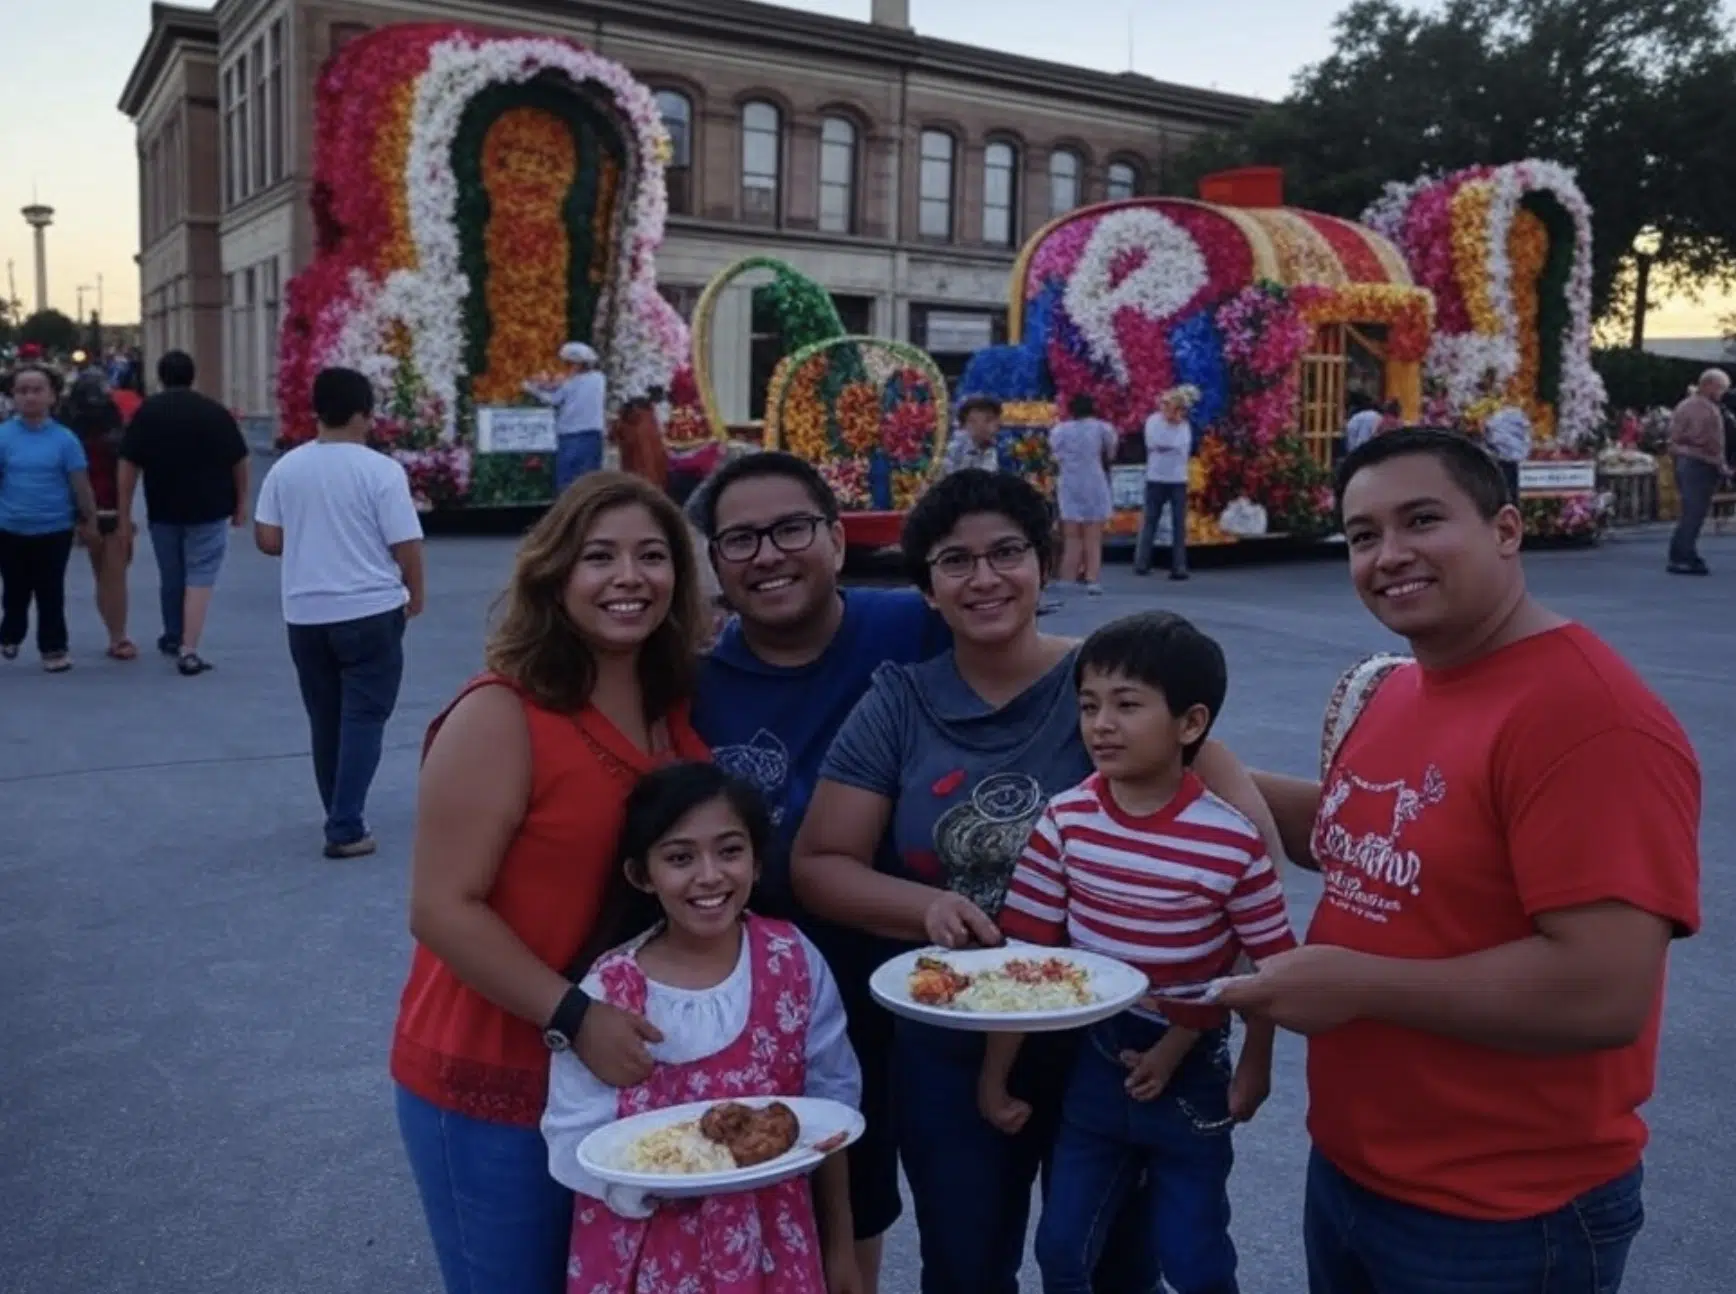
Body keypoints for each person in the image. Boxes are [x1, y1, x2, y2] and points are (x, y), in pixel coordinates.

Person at [1228, 428, 1700, 1294]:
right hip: (1352, 1176)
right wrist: (1196, 773)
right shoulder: (1400, 683)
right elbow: (1362, 841)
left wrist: (1357, 984)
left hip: (1505, 1217)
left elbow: (1603, 991)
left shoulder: (1588, 720)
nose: (1390, 555)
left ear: (1507, 530)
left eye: (1421, 520)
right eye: (1364, 535)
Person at [790, 470, 1283, 1294]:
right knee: (966, 1264)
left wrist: (1191, 1015)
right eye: (955, 562)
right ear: (928, 590)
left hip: (1123, 1040)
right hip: (956, 1036)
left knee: (1111, 1262)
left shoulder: (1112, 682)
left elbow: (1245, 846)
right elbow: (819, 864)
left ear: (1044, 563)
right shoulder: (899, 703)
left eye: (1007, 552)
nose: (984, 578)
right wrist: (931, 908)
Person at [392, 471, 711, 1294]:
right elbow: (440, 907)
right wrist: (577, 1019)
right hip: (496, 1076)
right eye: (598, 557)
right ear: (555, 575)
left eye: (651, 555)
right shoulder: (501, 714)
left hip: (627, 1079)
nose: (628, 577)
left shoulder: (674, 707)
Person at [690, 450, 947, 1294]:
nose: (766, 555)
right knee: (791, 1194)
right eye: (739, 540)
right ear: (716, 565)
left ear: (837, 540)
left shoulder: (914, 626)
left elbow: (1083, 682)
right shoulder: (687, 682)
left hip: (929, 964)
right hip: (776, 992)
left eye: (790, 529)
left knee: (933, 1204)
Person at [984, 610, 1294, 1294]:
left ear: (1190, 725)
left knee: (1194, 1257)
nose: (1101, 725)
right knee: (1063, 1250)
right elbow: (1025, 959)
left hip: (1191, 1073)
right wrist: (994, 1074)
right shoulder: (1066, 819)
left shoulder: (1230, 840)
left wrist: (1253, 1064)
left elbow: (1269, 970)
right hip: (1094, 1063)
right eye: (1089, 705)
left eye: (1127, 705)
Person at [542, 761, 863, 1294]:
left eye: (730, 851)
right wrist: (657, 1180)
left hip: (774, 1247)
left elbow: (832, 1110)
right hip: (645, 1255)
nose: (710, 875)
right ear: (641, 875)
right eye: (680, 858)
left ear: (758, 862)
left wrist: (841, 1249)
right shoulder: (609, 994)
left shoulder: (793, 961)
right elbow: (572, 1133)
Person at [254, 367, 427, 860]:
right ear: (361, 414)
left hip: (306, 612)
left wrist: (310, 537)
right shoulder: (381, 471)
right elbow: (406, 542)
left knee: (325, 717)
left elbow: (267, 540)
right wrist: (416, 593)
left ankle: (338, 807)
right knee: (365, 715)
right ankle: (346, 824)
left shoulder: (287, 468)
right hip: (370, 608)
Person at [117, 350, 250, 675]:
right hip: (210, 507)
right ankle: (189, 649)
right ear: (193, 376)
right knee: (201, 575)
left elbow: (128, 463)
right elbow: (239, 459)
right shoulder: (214, 413)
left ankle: (174, 634)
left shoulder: (147, 413)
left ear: (160, 376)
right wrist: (241, 503)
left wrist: (124, 512)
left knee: (172, 575)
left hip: (163, 507)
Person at [0, 365, 98, 672]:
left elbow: (79, 482)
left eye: (37, 390)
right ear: (12, 397)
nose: (30, 396)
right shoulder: (3, 437)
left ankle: (53, 648)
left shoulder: (64, 439)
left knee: (50, 590)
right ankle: (11, 633)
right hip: (10, 528)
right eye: (22, 390)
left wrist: (89, 519)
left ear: (52, 396)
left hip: (54, 528)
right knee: (15, 589)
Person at [59, 372, 137, 658]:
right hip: (107, 506)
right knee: (111, 574)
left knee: (106, 572)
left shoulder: (66, 429)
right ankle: (118, 636)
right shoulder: (114, 429)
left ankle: (117, 635)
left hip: (84, 509)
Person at [1048, 394, 1118, 596]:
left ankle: (1067, 577)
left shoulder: (1060, 430)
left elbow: (1055, 455)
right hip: (1094, 481)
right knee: (1093, 535)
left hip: (1070, 482)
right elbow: (1111, 452)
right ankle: (1092, 578)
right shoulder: (1103, 428)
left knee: (1071, 534)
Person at [1665, 367, 1729, 575]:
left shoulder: (1689, 406)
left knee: (1692, 512)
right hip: (1698, 463)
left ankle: (1683, 552)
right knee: (1694, 512)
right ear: (1708, 385)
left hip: (1693, 461)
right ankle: (1683, 556)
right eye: (1720, 388)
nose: (1722, 394)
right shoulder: (1700, 408)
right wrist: (1720, 464)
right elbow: (1710, 441)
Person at [526, 341, 608, 494]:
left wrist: (533, 389)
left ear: (576, 365)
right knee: (590, 480)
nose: (565, 368)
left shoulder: (570, 382)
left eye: (567, 364)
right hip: (593, 434)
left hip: (570, 435)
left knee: (567, 482)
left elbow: (553, 400)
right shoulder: (600, 379)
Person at [1134, 388, 1193, 581]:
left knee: (1179, 525)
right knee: (1150, 521)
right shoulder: (1153, 421)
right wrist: (1168, 446)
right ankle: (1142, 562)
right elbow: (1154, 443)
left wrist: (1167, 446)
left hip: (1178, 479)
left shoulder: (1183, 426)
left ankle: (1179, 566)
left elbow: (1181, 446)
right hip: (1156, 477)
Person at [943, 396, 1005, 474]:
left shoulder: (993, 449)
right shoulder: (952, 452)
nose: (997, 425)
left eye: (996, 420)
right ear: (969, 423)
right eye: (989, 420)